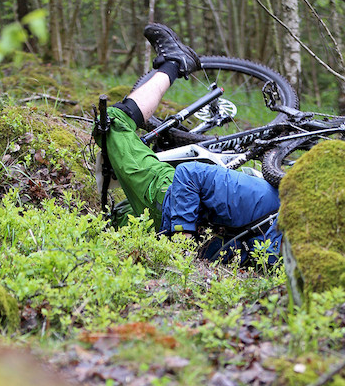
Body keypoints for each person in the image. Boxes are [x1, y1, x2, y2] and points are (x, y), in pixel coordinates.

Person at [98, 23, 283, 264]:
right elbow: (190, 175)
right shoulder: (258, 198)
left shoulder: (288, 243)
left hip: (162, 224)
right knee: (113, 122)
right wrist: (183, 235)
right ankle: (174, 63)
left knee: (109, 224)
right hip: (165, 194)